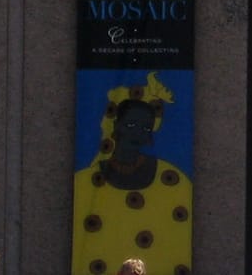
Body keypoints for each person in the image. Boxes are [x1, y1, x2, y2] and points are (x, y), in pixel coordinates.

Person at [71, 77, 191, 275]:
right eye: (131, 125)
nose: (137, 134)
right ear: (116, 126)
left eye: (145, 128)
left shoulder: (173, 181)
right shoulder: (85, 181)